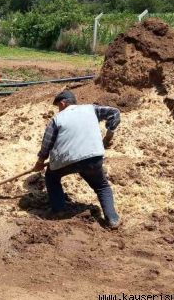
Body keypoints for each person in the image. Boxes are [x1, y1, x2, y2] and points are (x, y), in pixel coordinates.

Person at [31, 90, 121, 229]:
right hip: (93, 157)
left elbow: (47, 142)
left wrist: (40, 162)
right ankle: (112, 219)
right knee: (102, 186)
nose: (58, 109)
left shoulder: (57, 119)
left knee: (51, 178)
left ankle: (59, 210)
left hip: (66, 160)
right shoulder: (92, 109)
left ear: (63, 103)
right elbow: (114, 112)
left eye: (58, 106)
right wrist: (108, 136)